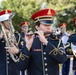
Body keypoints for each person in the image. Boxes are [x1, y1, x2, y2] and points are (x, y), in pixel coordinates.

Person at [7, 8, 67, 75]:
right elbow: (21, 67)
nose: (49, 27)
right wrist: (28, 47)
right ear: (37, 27)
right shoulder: (30, 41)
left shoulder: (57, 41)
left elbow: (63, 59)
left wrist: (46, 42)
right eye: (45, 25)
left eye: (50, 25)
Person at [0, 10, 21, 75]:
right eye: (7, 21)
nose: (9, 22)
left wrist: (17, 51)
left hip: (14, 71)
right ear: (1, 23)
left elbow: (23, 53)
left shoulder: (17, 36)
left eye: (10, 20)